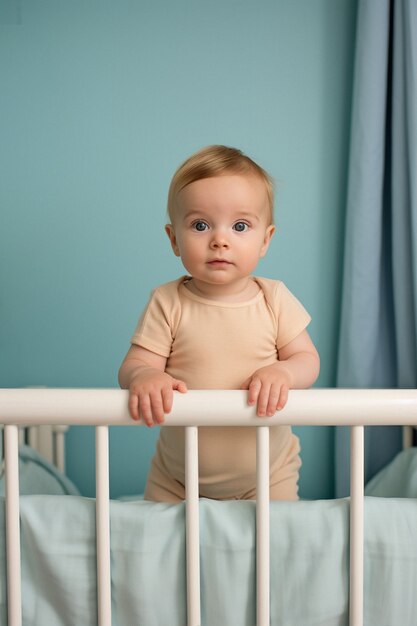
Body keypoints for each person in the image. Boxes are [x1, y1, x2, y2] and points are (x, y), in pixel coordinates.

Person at [118, 145, 320, 502]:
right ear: (174, 239)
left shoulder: (274, 298)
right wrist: (145, 377)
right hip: (175, 479)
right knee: (155, 552)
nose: (220, 240)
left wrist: (284, 374)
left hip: (267, 475)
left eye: (240, 226)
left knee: (276, 549)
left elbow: (307, 360)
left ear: (265, 240)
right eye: (200, 225)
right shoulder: (168, 301)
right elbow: (134, 365)